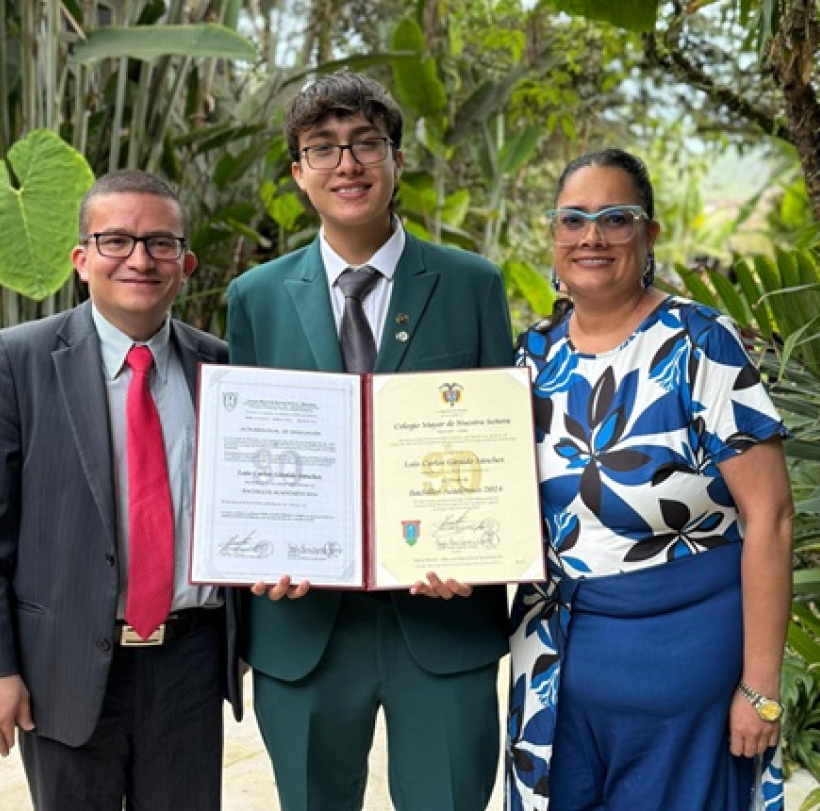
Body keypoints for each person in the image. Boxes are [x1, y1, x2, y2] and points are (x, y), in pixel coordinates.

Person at [225, 71, 514, 810]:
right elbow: (246, 457)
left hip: (443, 619)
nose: (346, 164)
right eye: (322, 148)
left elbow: (498, 449)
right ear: (298, 172)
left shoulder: (472, 283)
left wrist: (481, 550)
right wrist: (258, 552)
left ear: (396, 160)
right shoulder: (255, 297)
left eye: (365, 143)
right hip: (304, 626)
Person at [505, 148, 793, 810]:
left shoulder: (700, 343)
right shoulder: (531, 355)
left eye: (615, 218)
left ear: (649, 234)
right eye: (573, 219)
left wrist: (760, 688)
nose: (592, 236)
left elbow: (771, 517)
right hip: (552, 679)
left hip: (685, 678)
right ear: (552, 236)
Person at [0, 169, 242, 810]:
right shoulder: (18, 359)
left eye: (160, 243)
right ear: (82, 260)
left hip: (189, 665)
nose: (140, 259)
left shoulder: (223, 368)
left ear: (185, 264)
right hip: (61, 668)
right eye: (116, 241)